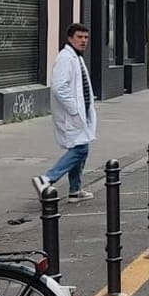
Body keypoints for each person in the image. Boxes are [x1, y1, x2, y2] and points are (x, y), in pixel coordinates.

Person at [32, 23, 97, 203]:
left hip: (80, 112)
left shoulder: (77, 58)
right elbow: (59, 88)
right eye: (79, 37)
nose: (83, 41)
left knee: (81, 147)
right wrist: (74, 109)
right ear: (70, 38)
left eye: (86, 37)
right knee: (81, 148)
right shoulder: (65, 58)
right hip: (71, 115)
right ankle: (46, 180)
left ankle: (75, 190)